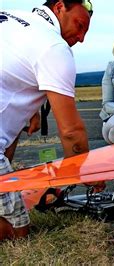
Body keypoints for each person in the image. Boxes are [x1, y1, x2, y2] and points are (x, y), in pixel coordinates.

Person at [0, 0, 93, 240]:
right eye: (79, 25)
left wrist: (31, 111)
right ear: (60, 6)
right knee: (16, 233)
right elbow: (71, 131)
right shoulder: (54, 47)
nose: (81, 38)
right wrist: (87, 174)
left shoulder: (10, 17)